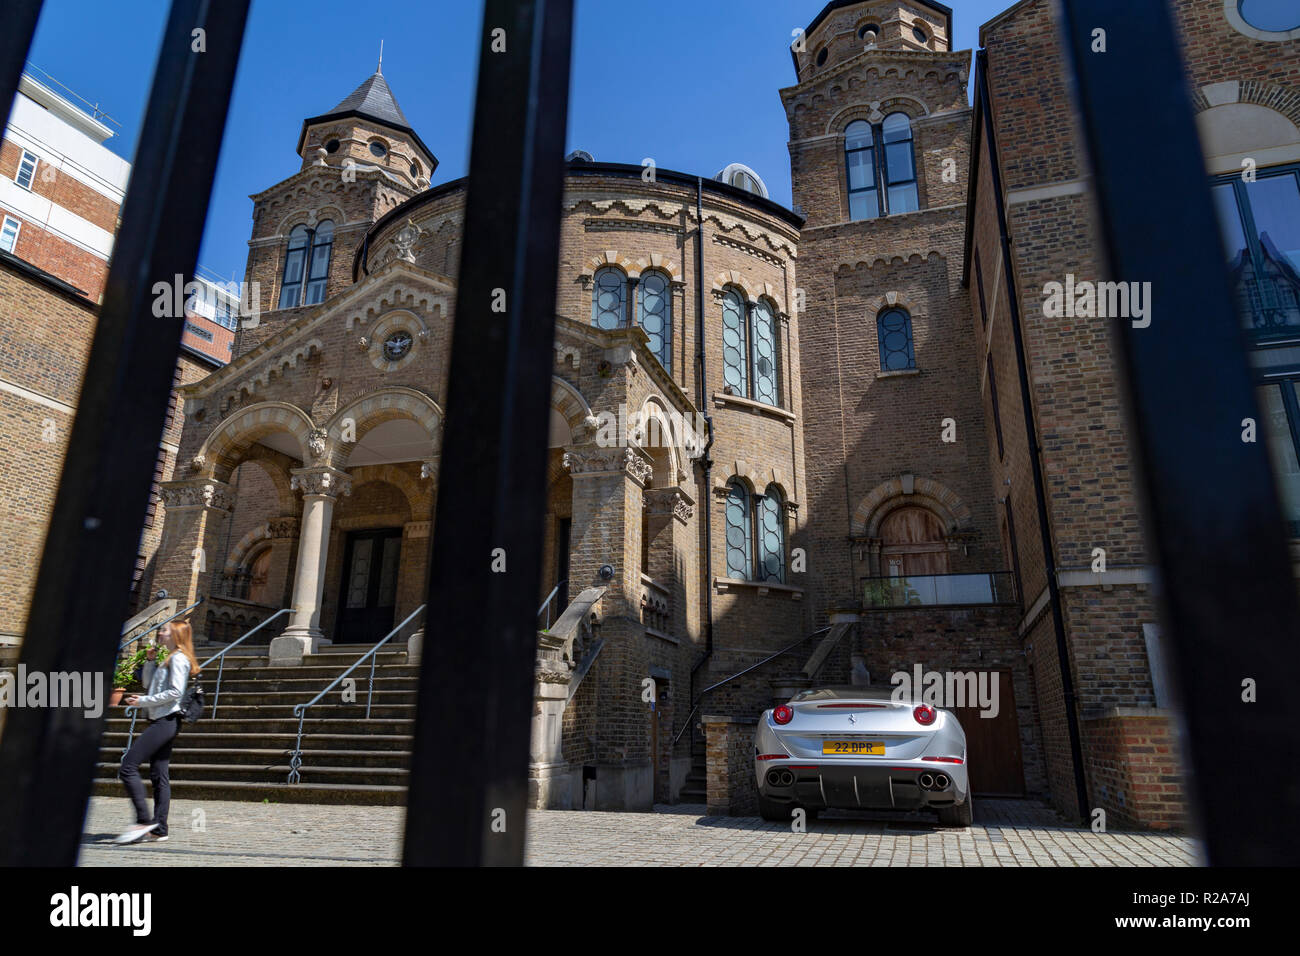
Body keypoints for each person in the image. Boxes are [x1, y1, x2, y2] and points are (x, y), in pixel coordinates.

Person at [114, 619, 199, 845]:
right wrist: (150, 662)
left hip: (166, 720)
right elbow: (147, 683)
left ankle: (143, 820)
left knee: (128, 766)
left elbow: (175, 692)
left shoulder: (179, 659)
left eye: (164, 630)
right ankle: (160, 829)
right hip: (159, 719)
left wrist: (142, 701)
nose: (160, 633)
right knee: (159, 775)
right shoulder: (167, 658)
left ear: (176, 635)